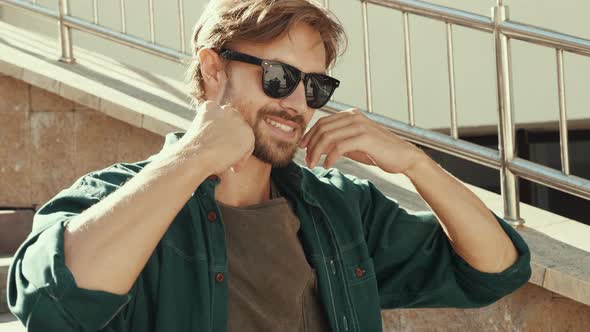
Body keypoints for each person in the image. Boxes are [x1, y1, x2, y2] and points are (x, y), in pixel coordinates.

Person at [7, 0, 531, 331]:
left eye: (316, 86)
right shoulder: (113, 197)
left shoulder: (339, 207)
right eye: (279, 76)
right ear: (214, 71)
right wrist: (194, 157)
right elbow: (53, 305)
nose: (299, 102)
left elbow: (496, 269)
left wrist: (417, 164)